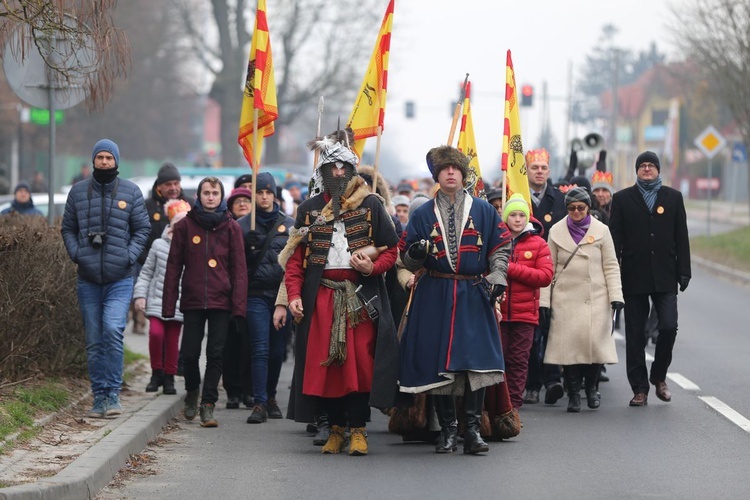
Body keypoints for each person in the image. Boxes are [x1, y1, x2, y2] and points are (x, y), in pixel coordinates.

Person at [280, 129, 400, 456]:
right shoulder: (308, 209)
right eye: (330, 168)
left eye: (342, 168)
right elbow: (295, 263)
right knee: (327, 367)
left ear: (351, 170)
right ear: (321, 172)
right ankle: (334, 429)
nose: (337, 173)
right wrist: (293, 295)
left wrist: (371, 267)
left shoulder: (372, 205)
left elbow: (392, 249)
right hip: (320, 299)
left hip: (360, 298)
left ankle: (358, 430)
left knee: (360, 367)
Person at [398, 145, 511, 455]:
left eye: (455, 168)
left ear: (463, 174)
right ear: (437, 176)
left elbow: (501, 247)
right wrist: (415, 255)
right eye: (444, 169)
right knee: (439, 365)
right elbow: (405, 259)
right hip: (435, 293)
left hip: (474, 292)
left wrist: (498, 276)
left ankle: (471, 431)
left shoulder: (485, 211)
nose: (450, 172)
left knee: (475, 364)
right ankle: (447, 431)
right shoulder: (421, 214)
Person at [61, 139, 150, 418]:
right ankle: (98, 397)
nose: (103, 162)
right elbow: (68, 228)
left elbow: (142, 229)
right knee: (94, 338)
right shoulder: (77, 192)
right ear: (93, 160)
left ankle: (112, 395)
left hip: (119, 277)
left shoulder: (131, 192)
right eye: (99, 157)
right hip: (87, 278)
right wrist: (77, 253)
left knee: (112, 330)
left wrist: (128, 255)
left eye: (108, 158)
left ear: (116, 161)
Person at [162, 177, 248, 428]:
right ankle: (191, 392)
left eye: (215, 193)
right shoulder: (186, 226)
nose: (211, 197)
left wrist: (238, 305)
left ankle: (208, 404)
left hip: (222, 301)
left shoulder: (232, 228)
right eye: (206, 193)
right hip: (193, 298)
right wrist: (169, 304)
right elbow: (173, 266)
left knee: (216, 354)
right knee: (189, 354)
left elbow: (239, 270)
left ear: (222, 197)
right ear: (199, 196)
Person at [609, 151, 691, 407]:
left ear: (657, 170)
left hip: (665, 275)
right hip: (633, 276)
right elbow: (614, 241)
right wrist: (613, 275)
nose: (646, 169)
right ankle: (640, 388)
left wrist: (684, 271)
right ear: (637, 170)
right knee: (635, 334)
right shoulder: (622, 199)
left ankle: (659, 376)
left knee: (668, 326)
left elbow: (682, 237)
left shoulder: (673, 198)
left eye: (651, 166)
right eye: (642, 166)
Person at [540, 187, 623, 412]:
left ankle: (592, 390)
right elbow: (549, 269)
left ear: (588, 208)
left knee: (595, 348)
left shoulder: (602, 230)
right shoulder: (556, 231)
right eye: (571, 208)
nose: (576, 212)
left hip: (596, 297)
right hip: (566, 298)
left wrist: (616, 296)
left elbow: (611, 265)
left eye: (581, 208)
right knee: (571, 349)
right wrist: (544, 302)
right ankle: (574, 394)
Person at [237, 172, 295, 423]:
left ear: (274, 195)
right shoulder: (242, 225)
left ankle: (271, 397)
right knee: (259, 347)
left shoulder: (291, 225)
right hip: (255, 295)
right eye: (259, 192)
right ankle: (259, 402)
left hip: (282, 295)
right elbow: (236, 266)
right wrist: (246, 248)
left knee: (276, 350)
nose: (263, 197)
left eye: (268, 192)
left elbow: (295, 263)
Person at [493, 194, 553, 419]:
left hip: (525, 314)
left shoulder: (538, 243)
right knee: (498, 361)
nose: (517, 219)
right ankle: (497, 405)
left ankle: (513, 408)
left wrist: (510, 269)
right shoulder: (495, 239)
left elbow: (545, 276)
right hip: (497, 312)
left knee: (518, 361)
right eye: (512, 215)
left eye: (521, 215)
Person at [133, 199, 191, 395]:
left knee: (173, 340)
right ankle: (156, 372)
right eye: (178, 222)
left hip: (179, 302)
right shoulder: (158, 244)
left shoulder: (192, 245)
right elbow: (146, 272)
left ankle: (169, 377)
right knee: (156, 334)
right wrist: (141, 295)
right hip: (157, 299)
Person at [524, 148, 567, 406]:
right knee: (531, 333)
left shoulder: (560, 200)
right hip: (527, 274)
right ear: (527, 171)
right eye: (534, 167)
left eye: (543, 168)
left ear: (549, 171)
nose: (539, 172)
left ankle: (553, 379)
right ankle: (532, 384)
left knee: (553, 328)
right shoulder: (517, 197)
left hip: (555, 273)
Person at [134, 162, 194, 335]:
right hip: (150, 260)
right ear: (159, 186)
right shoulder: (147, 206)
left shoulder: (189, 204)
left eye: (176, 183)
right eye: (168, 184)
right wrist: (147, 258)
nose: (173, 188)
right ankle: (140, 321)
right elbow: (139, 234)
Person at [222, 186, 254, 409]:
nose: (242, 204)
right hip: (228, 294)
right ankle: (232, 390)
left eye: (246, 200)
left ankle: (249, 389)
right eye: (238, 201)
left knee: (250, 345)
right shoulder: (225, 228)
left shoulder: (259, 228)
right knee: (229, 344)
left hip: (254, 294)